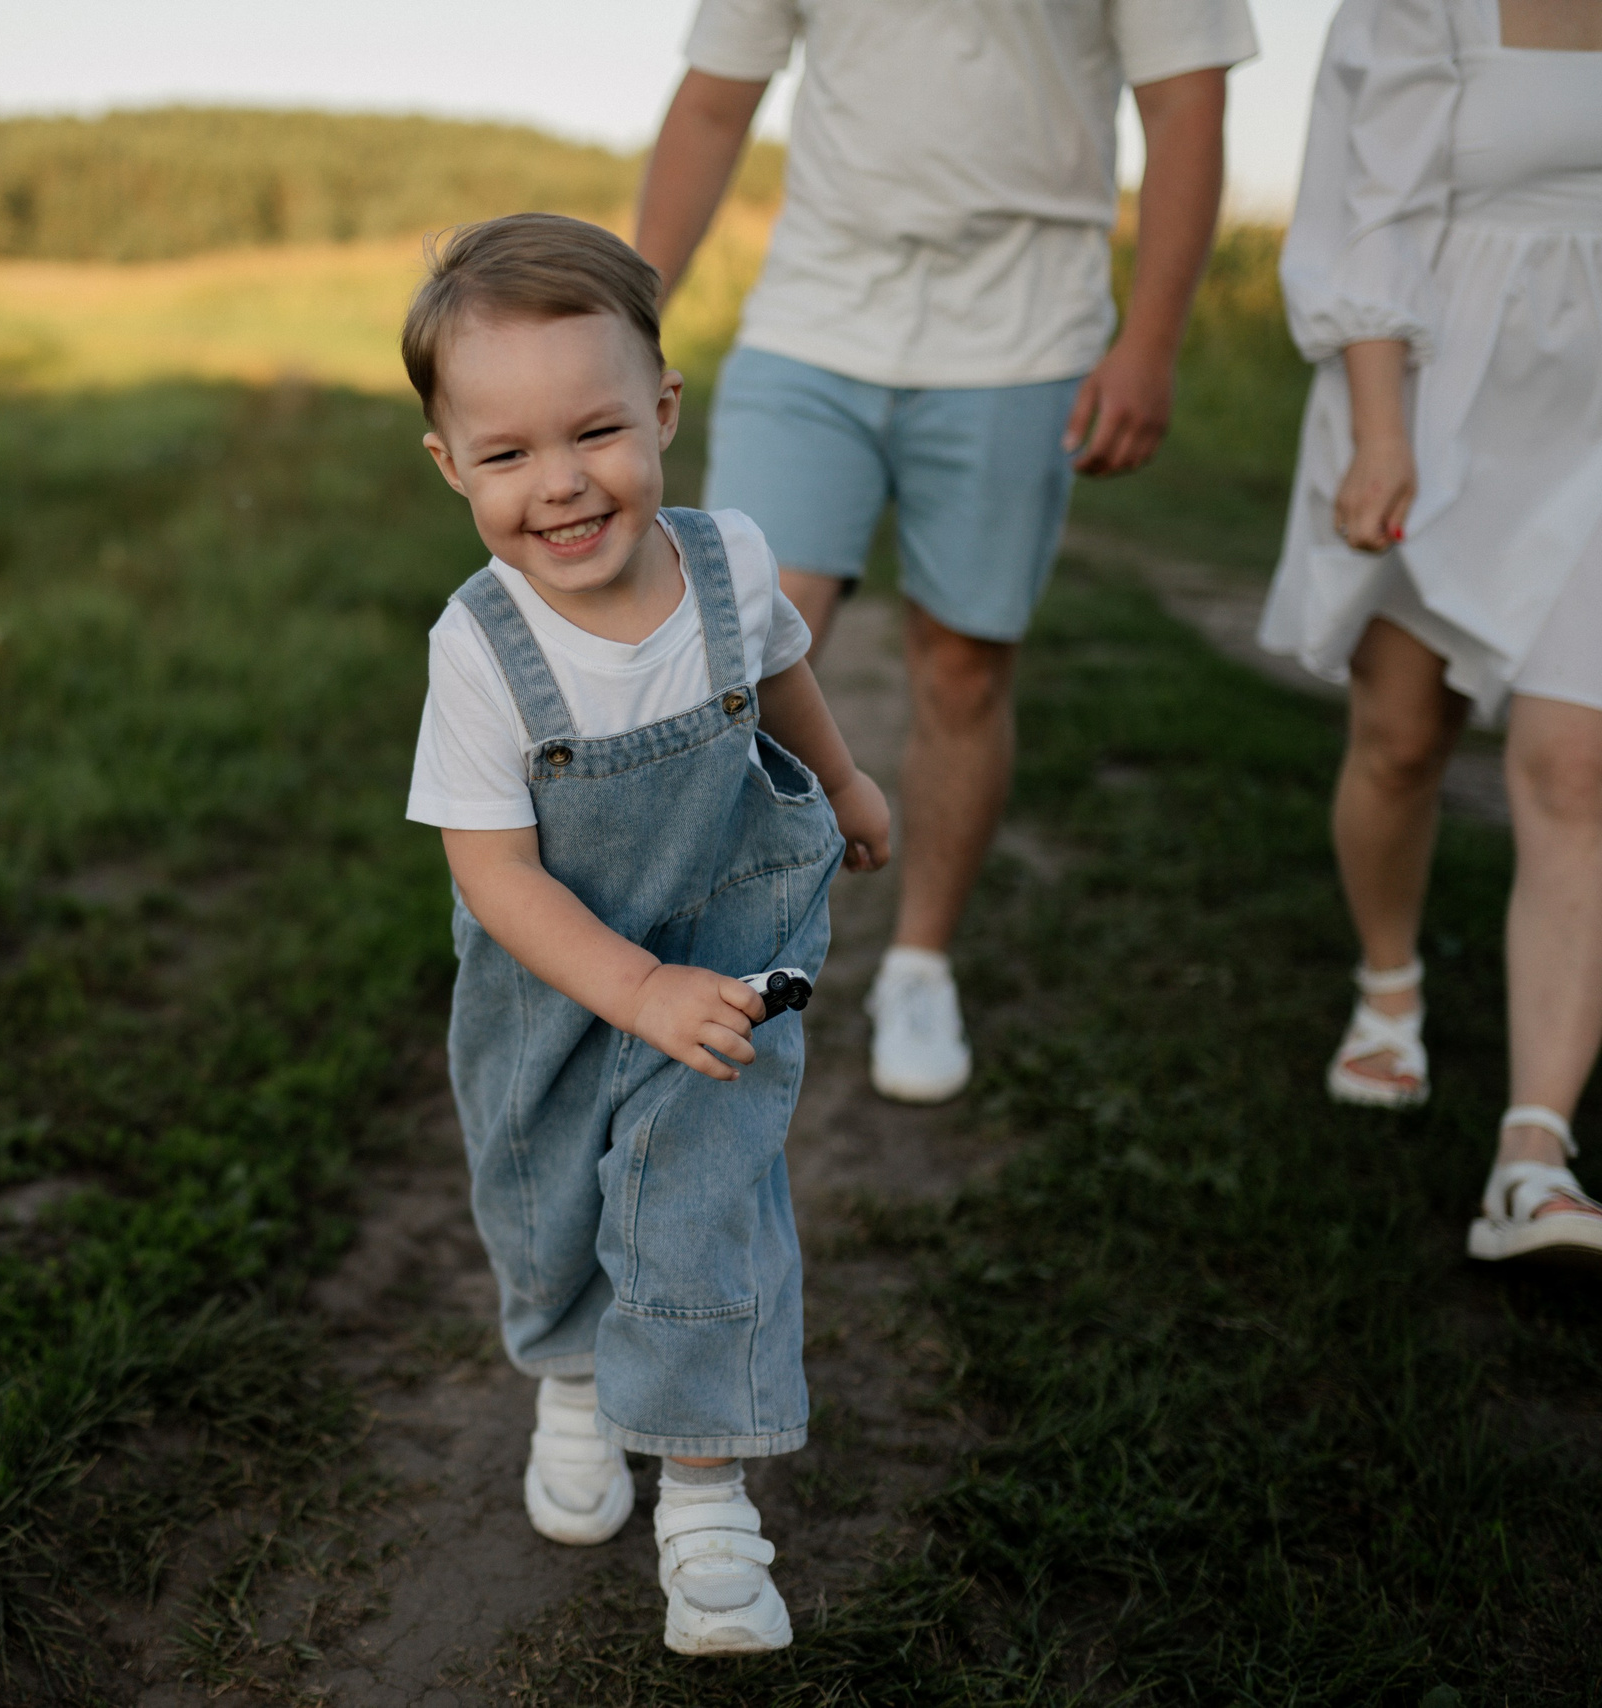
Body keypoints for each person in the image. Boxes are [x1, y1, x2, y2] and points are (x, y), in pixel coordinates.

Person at [402, 213, 891, 1656]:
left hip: (727, 950)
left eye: (596, 432)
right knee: (549, 1210)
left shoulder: (729, 564)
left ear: (665, 408)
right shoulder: (481, 645)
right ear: (451, 466)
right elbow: (494, 873)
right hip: (553, 980)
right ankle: (569, 1376)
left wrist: (849, 783)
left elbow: (783, 678)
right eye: (506, 456)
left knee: (700, 1200)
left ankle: (706, 1497)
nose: (560, 485)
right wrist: (630, 985)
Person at [635, 0, 1253, 1103]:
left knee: (964, 666)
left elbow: (1184, 101)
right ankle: (685, 955)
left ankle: (919, 964)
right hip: (811, 326)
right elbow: (714, 103)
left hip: (1024, 337)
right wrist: (625, 322)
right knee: (735, 652)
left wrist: (1150, 340)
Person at [1259, 0, 1602, 1267]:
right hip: (1436, 391)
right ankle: (1389, 982)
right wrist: (1382, 432)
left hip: (1597, 425)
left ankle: (1532, 1154)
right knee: (1401, 741)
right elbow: (1368, 214)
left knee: (1574, 770)